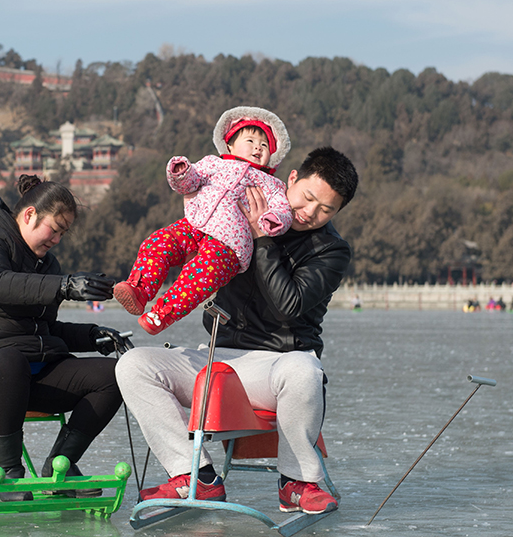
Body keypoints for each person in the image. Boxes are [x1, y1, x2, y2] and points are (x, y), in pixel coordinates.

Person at [116, 146, 358, 515]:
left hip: (277, 365)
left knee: (305, 371)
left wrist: (262, 239)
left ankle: (297, 482)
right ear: (291, 179)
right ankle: (195, 475)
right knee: (133, 364)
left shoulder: (331, 250)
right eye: (308, 198)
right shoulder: (238, 207)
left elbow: (288, 305)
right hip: (219, 356)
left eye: (326, 209)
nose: (310, 213)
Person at [0, 174, 130, 502]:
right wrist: (64, 286)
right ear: (29, 215)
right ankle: (9, 475)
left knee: (114, 375)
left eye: (62, 233)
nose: (56, 239)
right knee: (8, 360)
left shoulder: (47, 264)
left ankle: (62, 466)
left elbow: (45, 328)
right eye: (54, 229)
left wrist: (93, 336)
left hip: (29, 372)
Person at [114, 106, 292, 335]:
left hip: (229, 244)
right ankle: (139, 289)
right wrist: (181, 173)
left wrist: (273, 220)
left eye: (265, 145)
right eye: (250, 140)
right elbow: (190, 183)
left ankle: (162, 314)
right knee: (158, 242)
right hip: (194, 224)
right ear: (229, 145)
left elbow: (282, 208)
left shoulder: (271, 183)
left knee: (198, 277)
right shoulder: (212, 163)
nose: (258, 147)